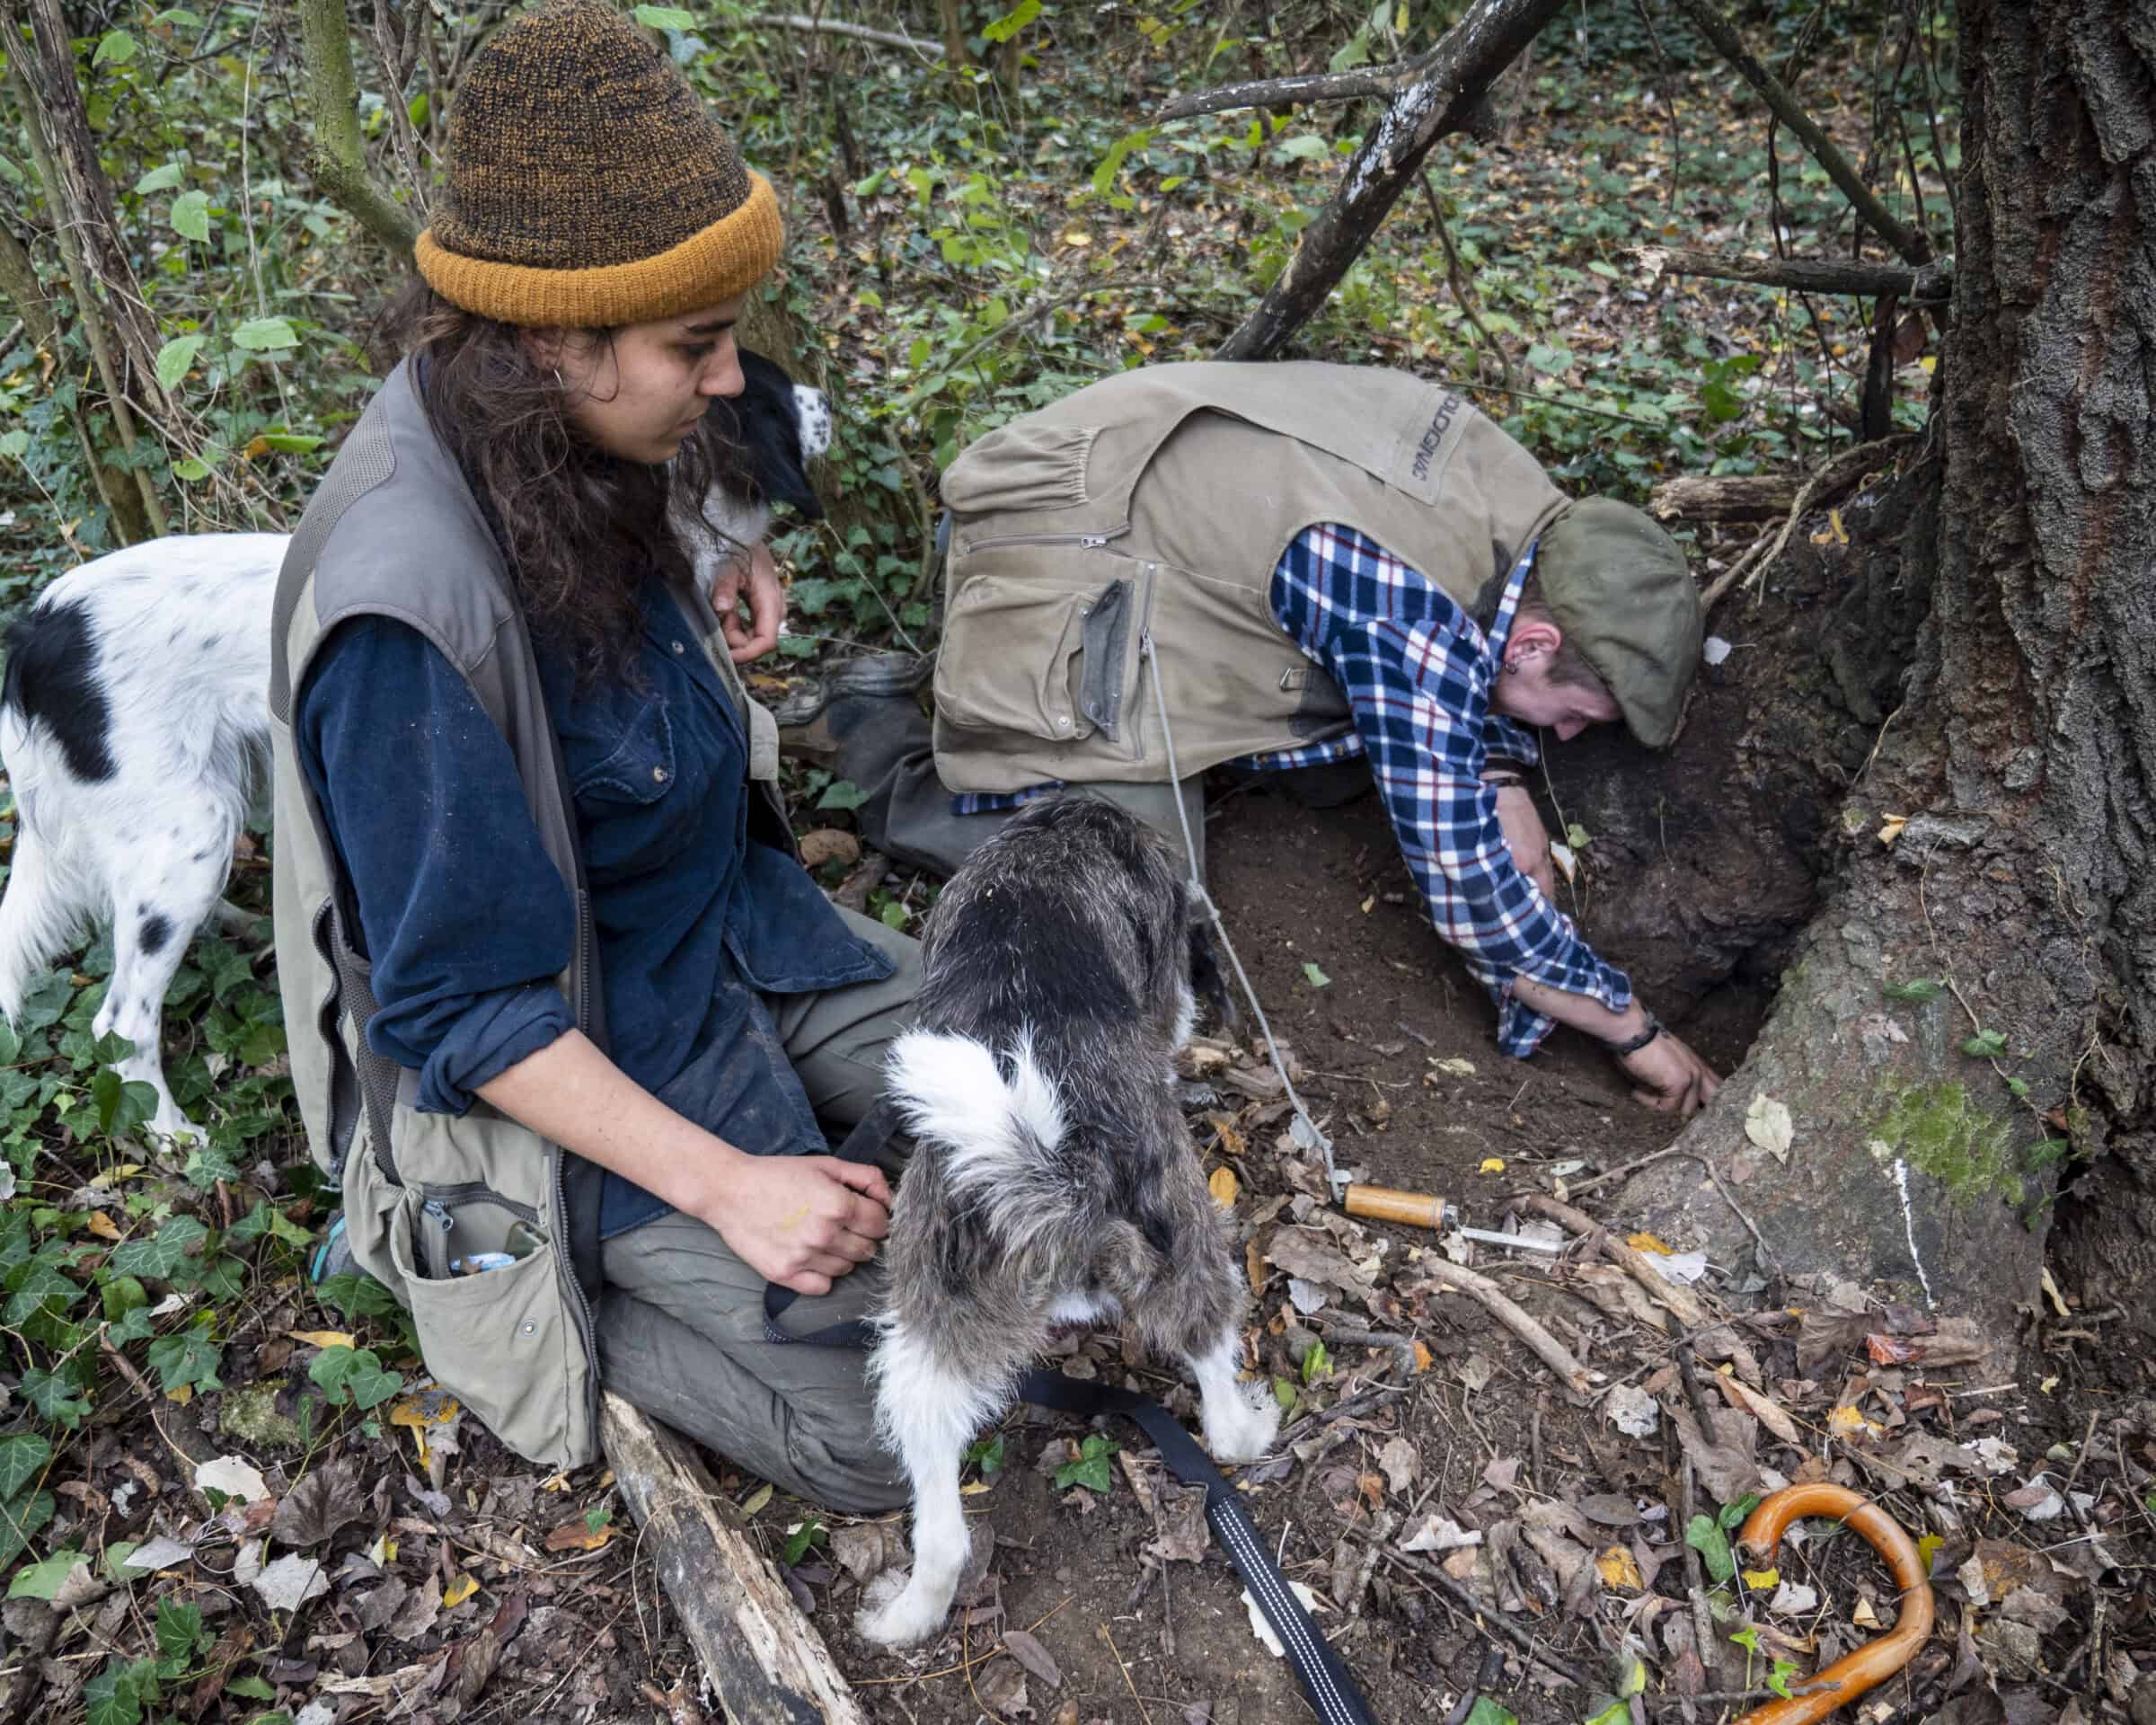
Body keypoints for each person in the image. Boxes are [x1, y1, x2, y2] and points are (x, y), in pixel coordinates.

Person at [270, 0, 914, 1508]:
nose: (732, 379)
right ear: (556, 340)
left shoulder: (564, 434)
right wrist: (732, 1187)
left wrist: (721, 550)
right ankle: (553, 1293)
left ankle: (789, 1157)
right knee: (889, 1431)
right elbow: (467, 1009)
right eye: (697, 343)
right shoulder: (405, 622)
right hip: (583, 1056)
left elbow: (668, 492)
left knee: (1024, 1091)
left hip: (715, 937)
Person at [805, 363, 1721, 1116]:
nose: (1559, 737)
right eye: (1569, 716)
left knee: (1347, 760)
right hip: (1050, 550)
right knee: (1130, 882)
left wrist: (1499, 767)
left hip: (1138, 507)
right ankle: (869, 732)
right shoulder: (1408, 610)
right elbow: (1473, 899)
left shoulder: (1515, 497)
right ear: (1536, 641)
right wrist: (1632, 1030)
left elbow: (1448, 661)